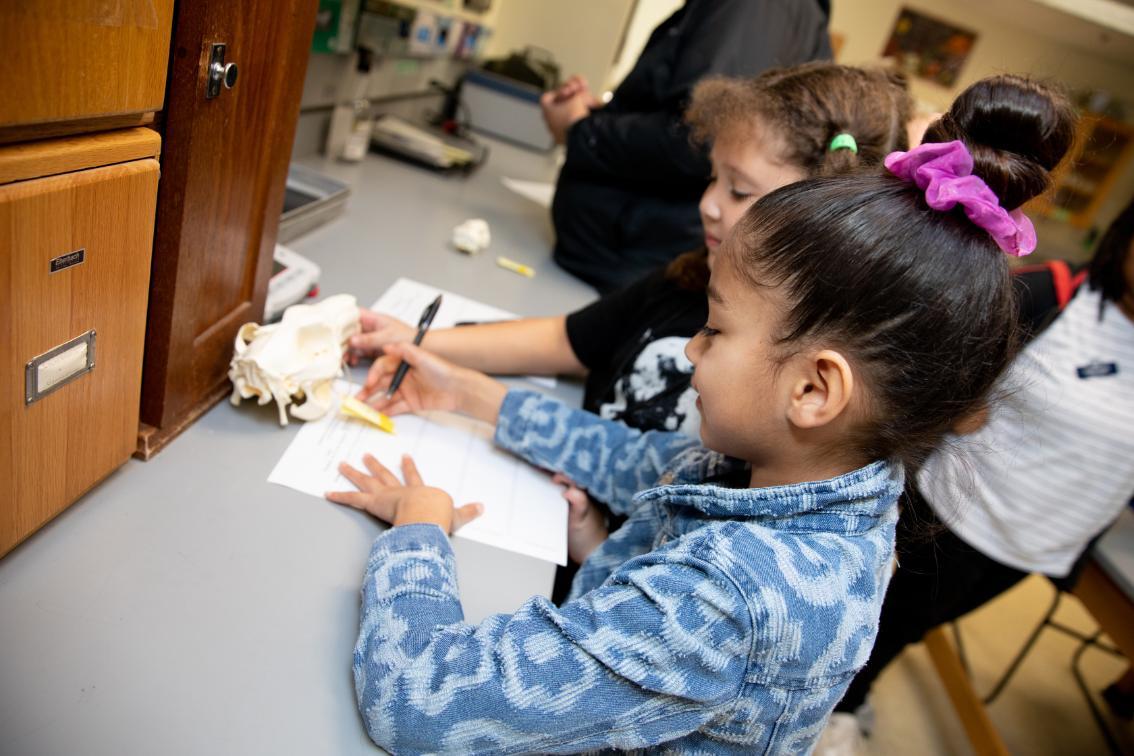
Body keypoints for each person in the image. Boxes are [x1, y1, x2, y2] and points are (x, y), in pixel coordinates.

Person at [323, 74, 1074, 753]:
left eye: (715, 330)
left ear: (815, 390)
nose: (690, 349)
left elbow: (420, 701)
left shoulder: (733, 600)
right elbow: (635, 460)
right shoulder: (809, 474)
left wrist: (419, 529)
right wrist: (467, 394)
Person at [350, 63, 913, 442]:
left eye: (739, 191)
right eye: (713, 178)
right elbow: (567, 339)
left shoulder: (781, 373)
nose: (708, 204)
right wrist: (417, 340)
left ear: (818, 212)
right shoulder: (689, 277)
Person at [823, 193, 1134, 753]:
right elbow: (939, 355)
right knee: (883, 619)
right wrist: (960, 401)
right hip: (960, 508)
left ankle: (842, 699)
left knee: (910, 626)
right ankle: (831, 709)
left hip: (1041, 541)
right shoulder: (1057, 294)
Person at [542, 0, 833, 292]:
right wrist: (601, 116)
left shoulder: (757, 7)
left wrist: (581, 129)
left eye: (737, 189)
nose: (709, 204)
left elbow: (700, 136)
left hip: (632, 257)